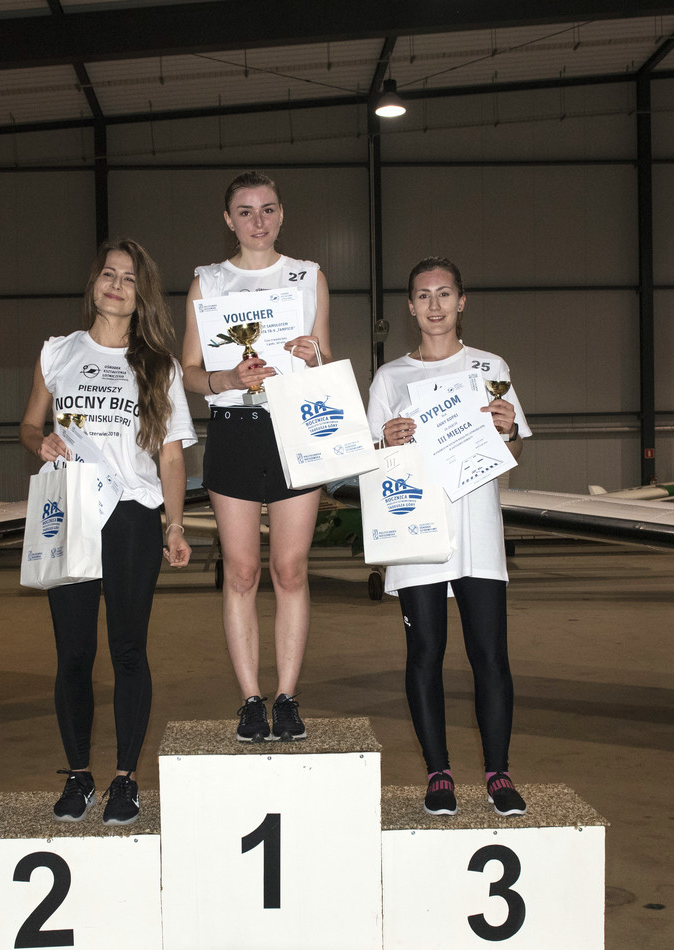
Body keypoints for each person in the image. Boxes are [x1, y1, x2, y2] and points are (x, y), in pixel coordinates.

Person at [20, 238, 194, 824]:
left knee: (127, 649)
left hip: (131, 515)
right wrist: (40, 442)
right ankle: (78, 776)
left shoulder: (159, 366)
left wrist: (174, 524)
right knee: (73, 651)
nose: (117, 286)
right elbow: (28, 425)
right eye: (109, 275)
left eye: (129, 279)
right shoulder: (57, 352)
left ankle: (125, 778)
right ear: (94, 282)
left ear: (141, 294)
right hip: (71, 511)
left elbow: (171, 456)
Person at [367, 256, 531, 817]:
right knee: (425, 654)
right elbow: (370, 460)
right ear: (410, 307)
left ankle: (498, 773)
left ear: (462, 301)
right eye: (423, 295)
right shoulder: (389, 378)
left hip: (477, 531)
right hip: (415, 533)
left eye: (444, 294)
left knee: (490, 656)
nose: (434, 305)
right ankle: (438, 773)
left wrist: (509, 429)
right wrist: (385, 441)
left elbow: (513, 450)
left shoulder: (490, 367)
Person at [179, 171, 329, 743]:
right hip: (234, 431)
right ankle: (249, 700)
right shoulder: (207, 283)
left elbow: (325, 359)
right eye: (245, 211)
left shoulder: (308, 277)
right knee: (241, 572)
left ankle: (287, 697)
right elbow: (189, 371)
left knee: (290, 570)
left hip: (295, 431)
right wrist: (224, 379)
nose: (258, 221)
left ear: (282, 214)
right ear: (228, 220)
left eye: (268, 209)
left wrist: (314, 356)